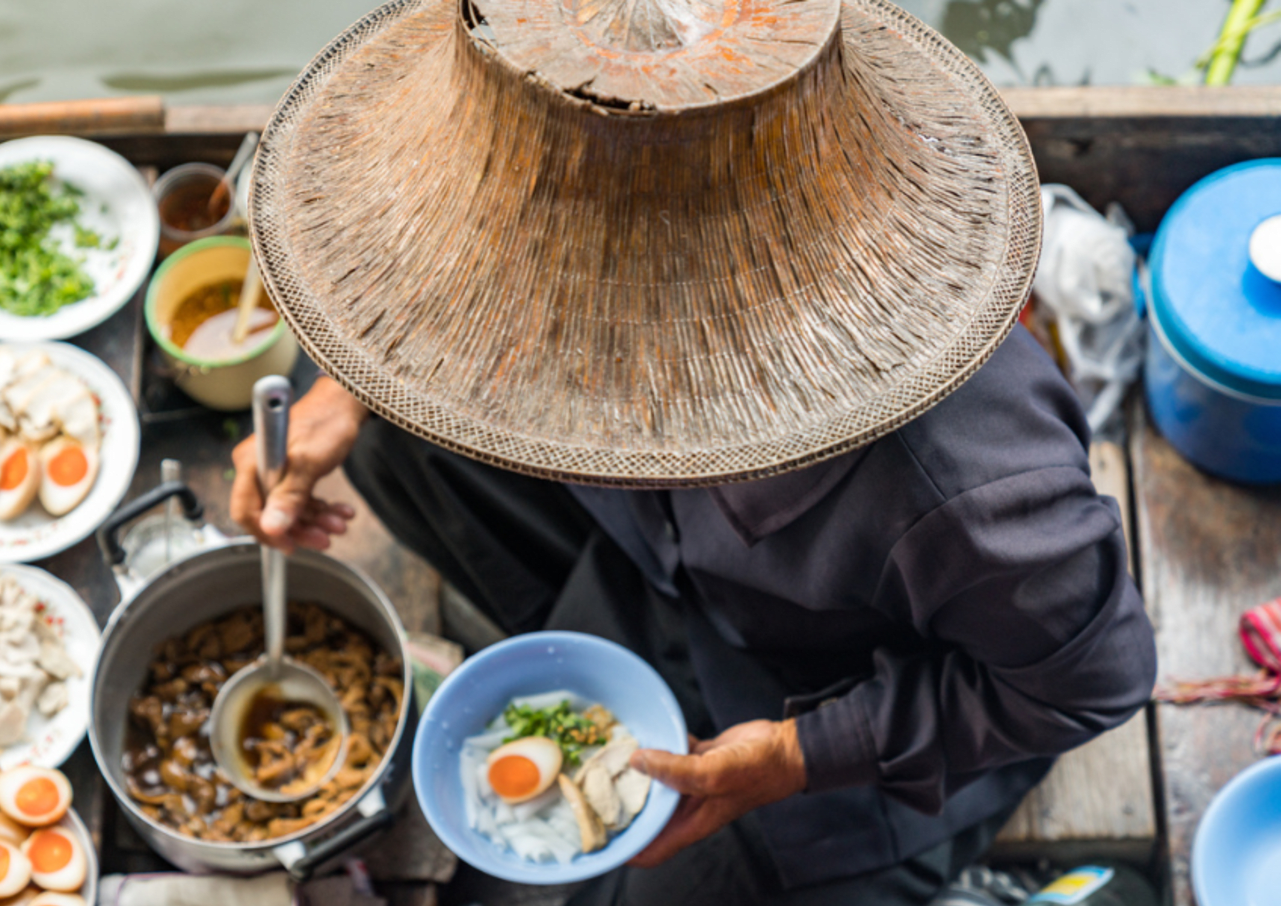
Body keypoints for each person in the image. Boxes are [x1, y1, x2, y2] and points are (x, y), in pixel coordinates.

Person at [231, 0, 1156, 900]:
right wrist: (345, 388)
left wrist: (796, 757)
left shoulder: (968, 485)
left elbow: (1095, 681)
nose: (534, 349)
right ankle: (601, 646)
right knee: (401, 435)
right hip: (673, 565)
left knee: (643, 887)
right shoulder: (540, 261)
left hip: (835, 690)